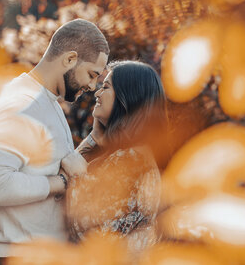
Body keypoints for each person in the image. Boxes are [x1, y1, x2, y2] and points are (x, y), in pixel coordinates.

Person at [0, 18, 109, 260]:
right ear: (69, 59)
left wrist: (95, 138)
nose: (92, 85)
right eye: (91, 74)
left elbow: (49, 163)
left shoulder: (46, 102)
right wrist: (61, 183)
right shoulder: (21, 104)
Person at [62, 60, 168, 255]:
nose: (97, 93)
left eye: (106, 87)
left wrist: (76, 174)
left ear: (127, 97)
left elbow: (90, 231)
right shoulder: (134, 155)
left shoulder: (132, 160)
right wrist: (94, 137)